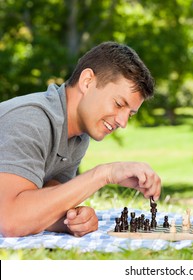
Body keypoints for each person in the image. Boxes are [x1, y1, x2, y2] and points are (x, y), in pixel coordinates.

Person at [0, 42, 161, 237]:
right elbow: (10, 220)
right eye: (119, 104)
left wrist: (73, 218)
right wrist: (104, 174)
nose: (122, 121)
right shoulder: (31, 120)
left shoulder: (77, 137)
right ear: (87, 81)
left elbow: (47, 196)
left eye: (130, 114)